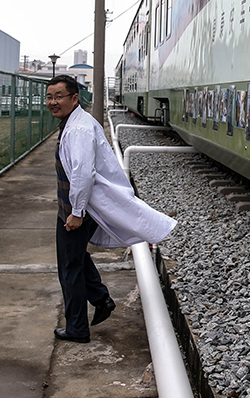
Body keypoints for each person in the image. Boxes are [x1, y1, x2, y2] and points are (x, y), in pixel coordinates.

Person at [46, 75, 176, 343]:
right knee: (76, 257)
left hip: (77, 209)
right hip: (74, 206)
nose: (53, 102)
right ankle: (100, 298)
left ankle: (77, 328)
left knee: (69, 267)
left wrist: (76, 213)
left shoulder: (79, 129)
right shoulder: (73, 122)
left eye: (59, 96)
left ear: (74, 98)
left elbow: (83, 174)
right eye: (49, 97)